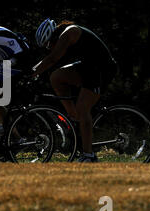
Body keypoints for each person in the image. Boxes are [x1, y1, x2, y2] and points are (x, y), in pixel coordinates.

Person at [31, 18, 117, 162]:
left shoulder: (69, 33)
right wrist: (34, 70)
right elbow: (52, 60)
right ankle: (73, 116)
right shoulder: (61, 36)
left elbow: (52, 58)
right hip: (88, 66)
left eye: (48, 44)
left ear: (53, 36)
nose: (49, 47)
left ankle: (89, 155)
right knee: (56, 77)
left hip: (102, 69)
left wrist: (32, 72)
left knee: (83, 108)